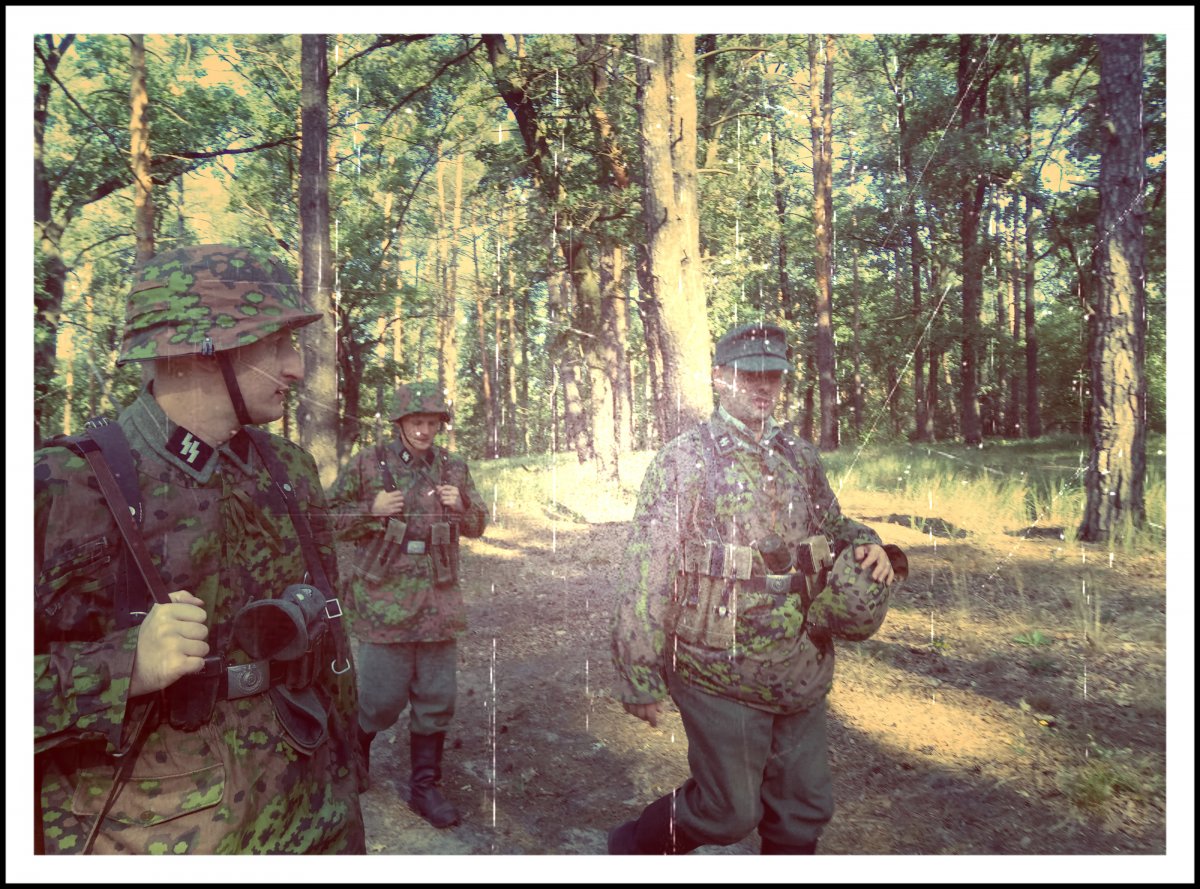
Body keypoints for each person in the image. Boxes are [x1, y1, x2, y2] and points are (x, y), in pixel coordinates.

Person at [34, 244, 365, 854]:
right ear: (203, 349)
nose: (296, 368)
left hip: (314, 810)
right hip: (157, 836)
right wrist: (123, 668)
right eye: (277, 343)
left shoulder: (289, 469)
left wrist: (350, 770)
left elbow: (330, 637)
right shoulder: (61, 485)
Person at [609, 321, 905, 855]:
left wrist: (873, 545)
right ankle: (633, 848)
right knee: (726, 813)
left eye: (774, 375)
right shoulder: (684, 460)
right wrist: (639, 673)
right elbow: (645, 570)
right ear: (719, 377)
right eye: (749, 374)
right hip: (715, 668)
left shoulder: (800, 456)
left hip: (799, 662)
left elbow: (835, 526)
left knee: (803, 811)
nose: (764, 385)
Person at [329, 381, 487, 828]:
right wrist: (371, 509)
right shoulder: (369, 463)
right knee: (379, 701)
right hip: (384, 603)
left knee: (437, 699)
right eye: (416, 421)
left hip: (438, 601)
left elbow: (479, 523)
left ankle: (425, 787)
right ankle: (356, 756)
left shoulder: (453, 467)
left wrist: (463, 505)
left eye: (432, 422)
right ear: (400, 423)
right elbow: (325, 519)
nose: (424, 430)